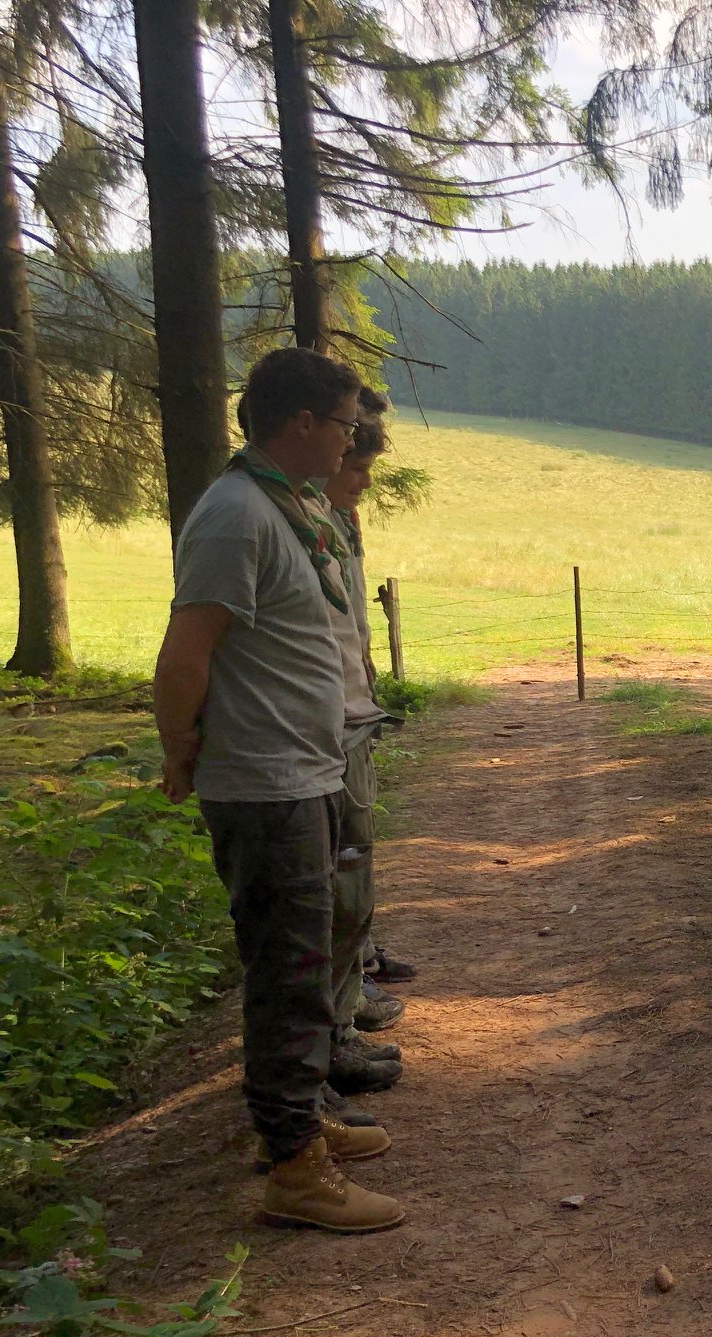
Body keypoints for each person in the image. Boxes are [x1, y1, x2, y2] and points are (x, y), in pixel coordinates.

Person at [154, 346, 404, 1234]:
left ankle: (298, 1129)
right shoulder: (235, 517)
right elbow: (186, 655)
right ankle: (294, 1168)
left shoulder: (282, 504)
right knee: (290, 971)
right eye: (343, 424)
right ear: (300, 424)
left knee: (303, 959)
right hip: (266, 782)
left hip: (302, 769)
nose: (352, 442)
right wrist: (181, 749)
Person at [319, 390, 408, 1084]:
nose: (366, 486)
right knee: (337, 884)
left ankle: (352, 992)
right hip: (317, 738)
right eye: (356, 470)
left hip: (348, 721)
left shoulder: (335, 523)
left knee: (354, 873)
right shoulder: (287, 521)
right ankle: (335, 1026)